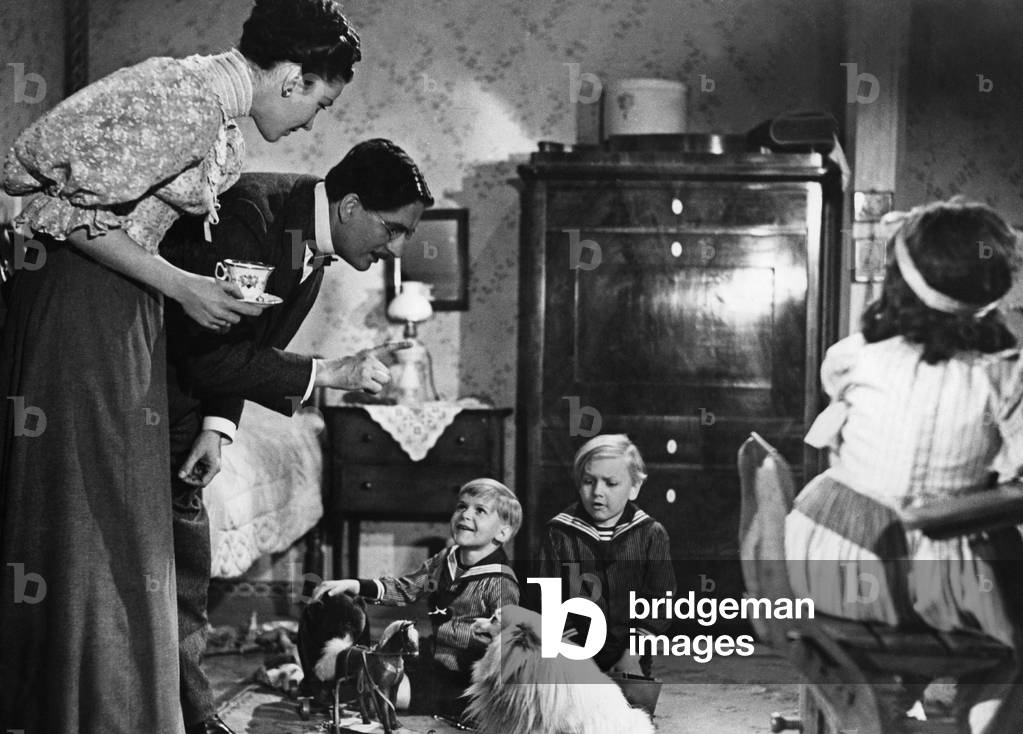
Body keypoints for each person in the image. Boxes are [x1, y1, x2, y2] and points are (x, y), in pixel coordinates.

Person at [0, 2, 360, 732]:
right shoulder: (186, 99)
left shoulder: (211, 106)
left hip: (123, 309)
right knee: (92, 520)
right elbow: (50, 203)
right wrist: (182, 285)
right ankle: (77, 711)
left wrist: (178, 289)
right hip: (83, 305)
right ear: (292, 78)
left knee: (121, 521)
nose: (313, 121)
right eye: (320, 101)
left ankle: (110, 706)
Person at [160, 138, 434, 734]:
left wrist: (218, 425)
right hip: (141, 403)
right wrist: (331, 372)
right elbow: (207, 353)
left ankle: (193, 718)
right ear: (350, 205)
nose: (396, 250)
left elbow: (243, 349)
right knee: (161, 580)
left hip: (188, 414)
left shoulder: (315, 239)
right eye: (391, 230)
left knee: (185, 580)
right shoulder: (251, 214)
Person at [784, 197, 1023, 734]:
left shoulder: (854, 355)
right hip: (934, 583)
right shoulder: (1006, 375)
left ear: (899, 280)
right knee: (1012, 629)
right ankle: (978, 718)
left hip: (831, 561)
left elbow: (846, 411)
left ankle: (887, 706)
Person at [313, 478, 521, 718]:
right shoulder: (446, 559)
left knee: (380, 691)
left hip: (463, 679)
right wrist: (355, 585)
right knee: (370, 665)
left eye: (480, 510)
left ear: (502, 532)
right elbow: (406, 587)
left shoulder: (500, 581)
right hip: (431, 659)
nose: (465, 514)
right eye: (462, 506)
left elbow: (507, 644)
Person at [535, 434, 676, 677]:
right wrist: (574, 654)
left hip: (629, 652)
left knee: (632, 711)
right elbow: (548, 600)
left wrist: (633, 652)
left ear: (634, 488)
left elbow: (659, 599)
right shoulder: (559, 533)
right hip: (571, 650)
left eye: (611, 483)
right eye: (589, 481)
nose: (598, 492)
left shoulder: (651, 534)